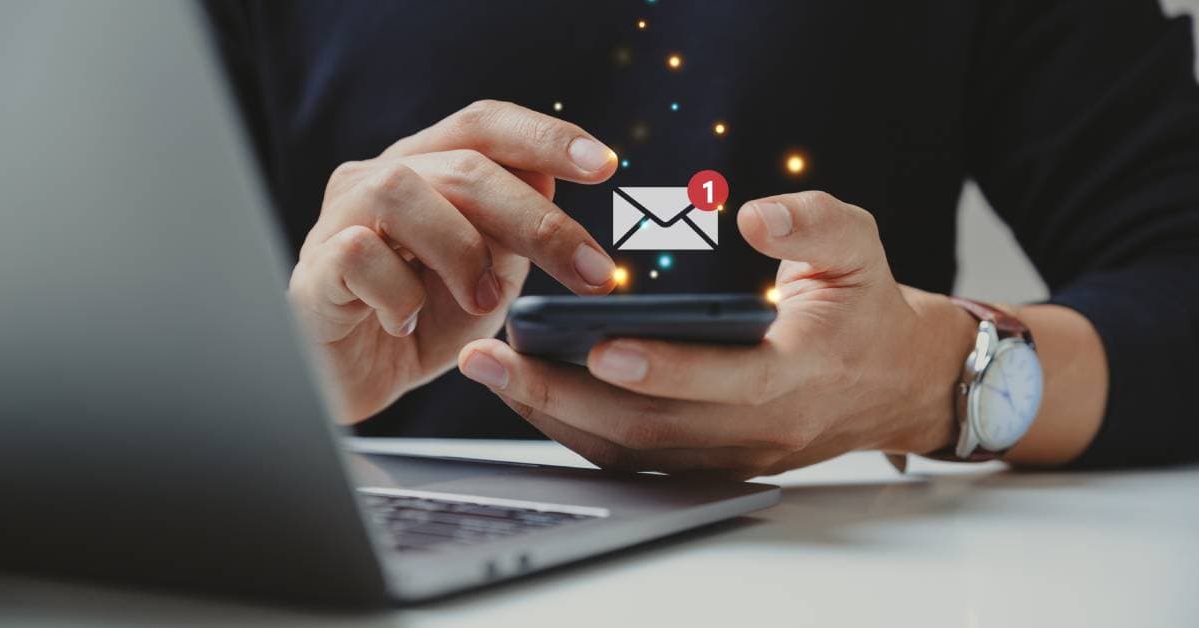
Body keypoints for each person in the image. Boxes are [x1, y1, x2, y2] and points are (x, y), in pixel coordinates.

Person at [204, 0, 1199, 475]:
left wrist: (944, 379)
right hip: (373, 566)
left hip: (842, 582)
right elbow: (99, 321)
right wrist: (282, 380)